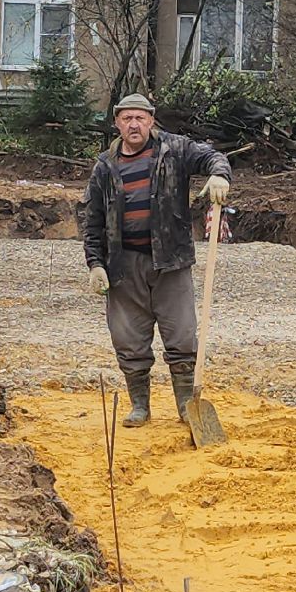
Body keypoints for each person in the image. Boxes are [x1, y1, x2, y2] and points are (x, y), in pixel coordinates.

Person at [82, 93, 231, 427]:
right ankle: (140, 405)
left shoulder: (175, 150)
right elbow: (92, 219)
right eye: (127, 119)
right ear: (117, 123)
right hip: (123, 265)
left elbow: (212, 157)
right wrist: (95, 264)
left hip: (170, 260)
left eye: (140, 118)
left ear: (151, 120)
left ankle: (184, 405)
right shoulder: (105, 165)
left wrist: (220, 175)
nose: (134, 125)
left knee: (182, 336)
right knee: (128, 338)